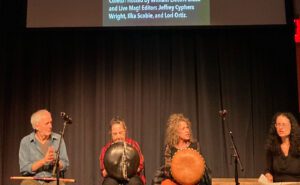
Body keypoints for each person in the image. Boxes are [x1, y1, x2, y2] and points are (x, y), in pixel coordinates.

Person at [19, 109, 69, 185]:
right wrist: (43, 161)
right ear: (37, 126)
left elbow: (65, 165)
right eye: (47, 123)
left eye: (51, 122)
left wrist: (57, 161)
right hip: (33, 180)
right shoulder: (26, 141)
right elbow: (24, 169)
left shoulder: (58, 139)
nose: (50, 126)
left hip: (53, 180)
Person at [161, 113, 211, 185]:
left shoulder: (195, 145)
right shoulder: (170, 148)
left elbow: (200, 166)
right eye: (183, 128)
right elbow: (167, 169)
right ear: (176, 132)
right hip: (176, 181)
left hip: (193, 181)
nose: (187, 130)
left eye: (187, 127)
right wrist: (180, 175)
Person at [99, 116, 146, 185]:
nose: (118, 136)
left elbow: (140, 166)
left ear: (125, 131)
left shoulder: (133, 145)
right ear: (111, 134)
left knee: (135, 183)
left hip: (131, 176)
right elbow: (103, 172)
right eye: (115, 134)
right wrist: (113, 169)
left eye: (120, 132)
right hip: (112, 177)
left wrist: (130, 169)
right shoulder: (106, 149)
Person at [264, 112, 300, 182]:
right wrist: (268, 174)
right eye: (278, 124)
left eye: (284, 124)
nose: (281, 127)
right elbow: (268, 169)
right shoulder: (271, 147)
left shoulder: (298, 146)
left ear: (291, 126)